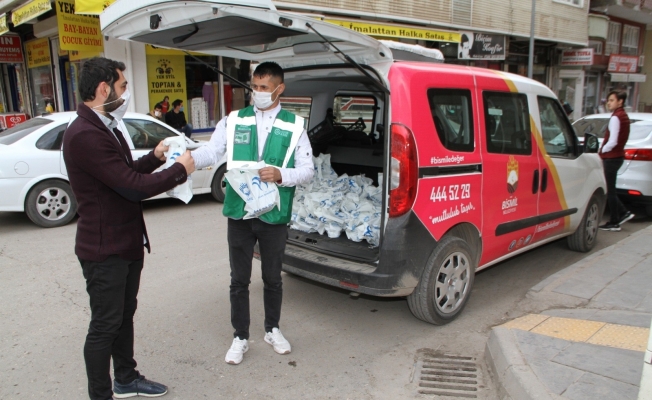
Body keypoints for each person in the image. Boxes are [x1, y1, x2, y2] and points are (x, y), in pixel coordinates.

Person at [62, 57, 195, 400]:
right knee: (105, 325)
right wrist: (179, 170)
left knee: (123, 316)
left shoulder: (103, 126)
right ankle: (102, 394)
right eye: (122, 87)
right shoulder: (84, 133)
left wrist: (155, 157)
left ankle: (126, 378)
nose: (125, 94)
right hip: (105, 249)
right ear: (103, 89)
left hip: (125, 242)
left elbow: (122, 172)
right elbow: (131, 186)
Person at [191, 61, 314, 365]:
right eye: (254, 87)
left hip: (274, 216)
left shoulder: (294, 125)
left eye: (263, 88)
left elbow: (307, 170)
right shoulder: (233, 120)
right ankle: (240, 336)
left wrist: (281, 174)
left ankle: (272, 329)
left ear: (279, 89)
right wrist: (188, 159)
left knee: (272, 278)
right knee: (239, 280)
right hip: (239, 213)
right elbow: (212, 152)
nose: (257, 93)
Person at [598, 90, 634, 232]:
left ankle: (618, 218)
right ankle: (619, 217)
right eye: (608, 100)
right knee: (611, 189)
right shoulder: (623, 116)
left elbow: (612, 141)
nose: (608, 103)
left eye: (612, 100)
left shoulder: (615, 117)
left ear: (620, 102)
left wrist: (602, 152)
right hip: (618, 156)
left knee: (610, 190)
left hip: (612, 157)